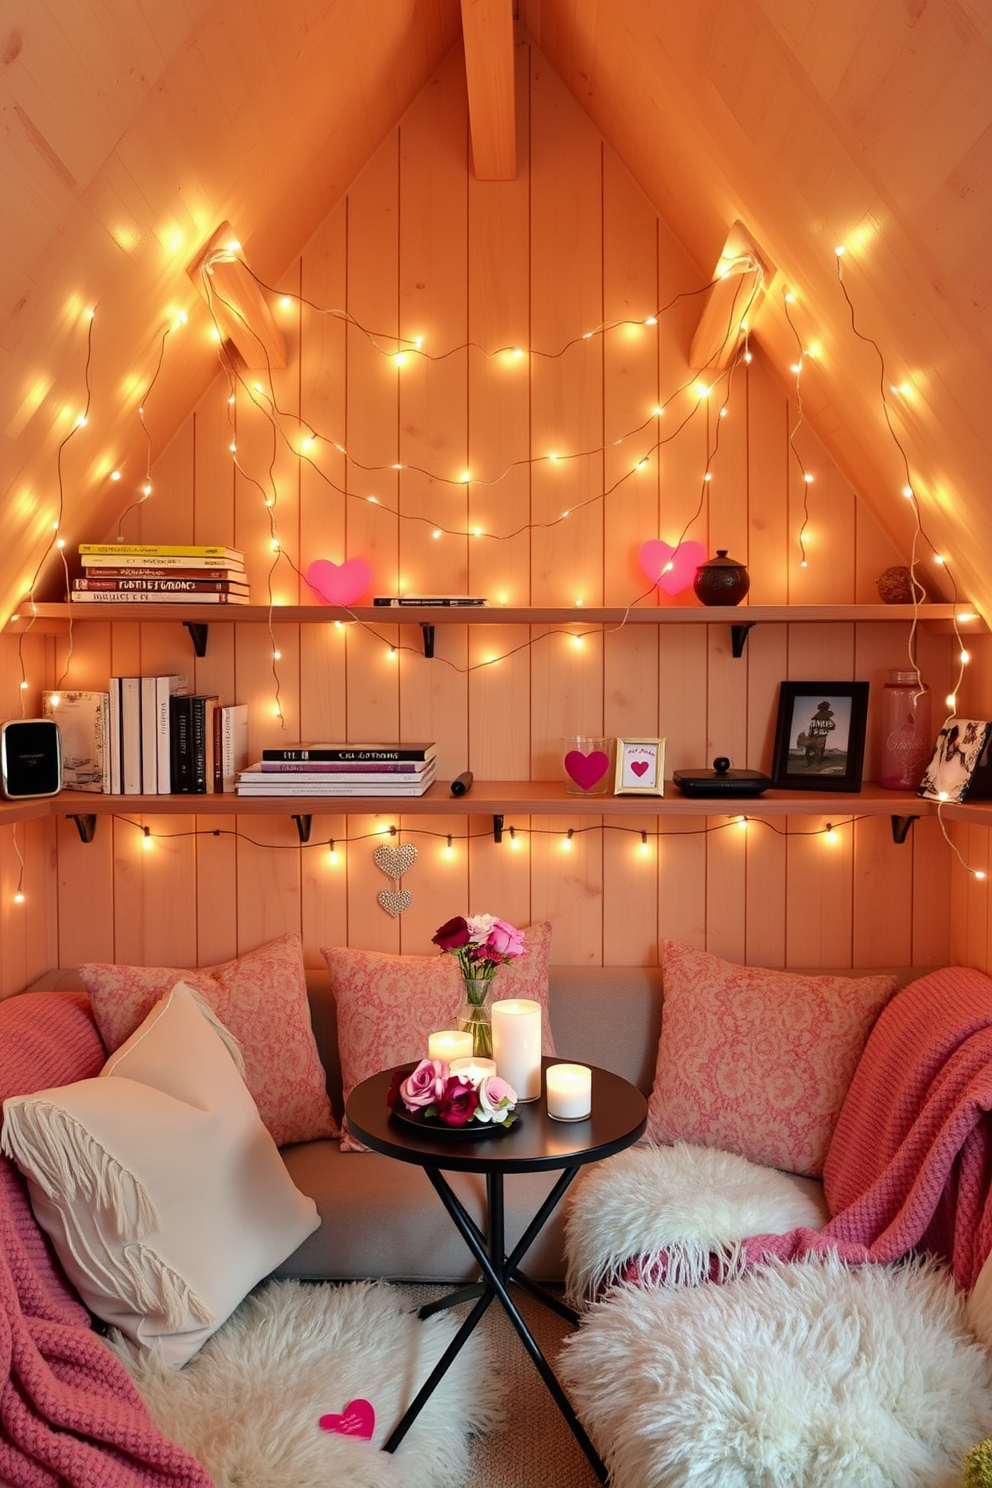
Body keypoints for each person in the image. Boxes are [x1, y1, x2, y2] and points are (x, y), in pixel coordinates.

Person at [803, 701, 836, 768]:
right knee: (817, 749)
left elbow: (832, 726)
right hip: (818, 736)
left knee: (816, 749)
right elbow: (832, 726)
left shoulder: (820, 716)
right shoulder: (821, 715)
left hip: (819, 736)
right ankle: (815, 763)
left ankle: (815, 763)